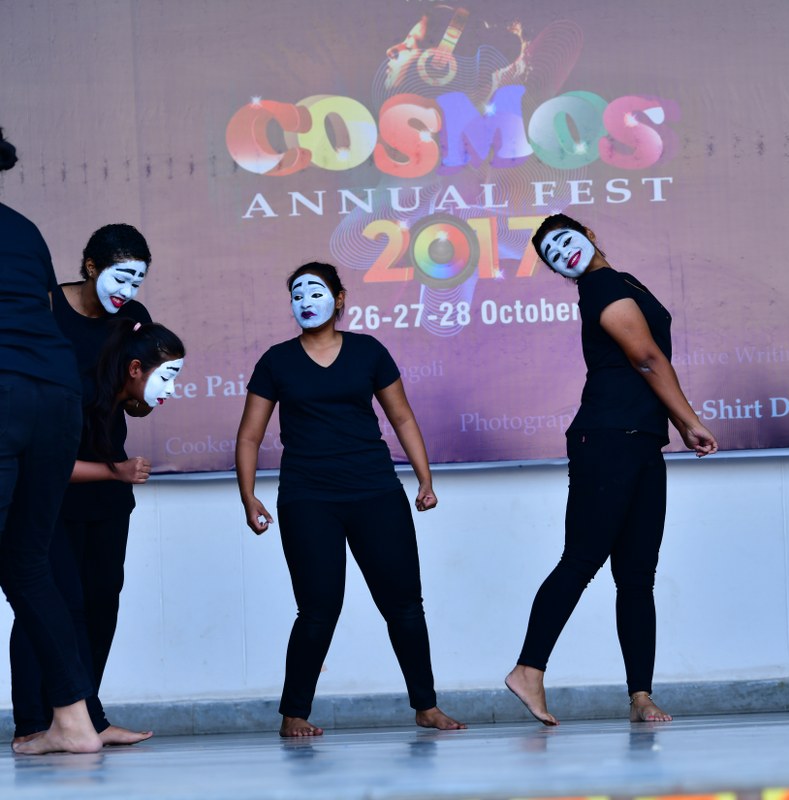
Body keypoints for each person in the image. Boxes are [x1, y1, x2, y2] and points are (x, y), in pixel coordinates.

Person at [504, 214, 718, 726]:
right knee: (582, 560)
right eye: (552, 255)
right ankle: (528, 669)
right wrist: (689, 421)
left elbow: (647, 361)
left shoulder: (620, 281)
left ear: (591, 235)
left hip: (639, 438)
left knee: (637, 576)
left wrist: (674, 425)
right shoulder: (600, 287)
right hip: (607, 438)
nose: (563, 253)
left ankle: (640, 695)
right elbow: (646, 358)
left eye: (565, 240)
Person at [235, 261, 464, 737]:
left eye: (316, 292)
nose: (305, 301)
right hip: (307, 498)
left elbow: (402, 418)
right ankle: (294, 713)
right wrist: (248, 496)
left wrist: (424, 479)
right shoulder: (276, 361)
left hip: (375, 490)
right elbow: (250, 436)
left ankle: (426, 706)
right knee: (317, 609)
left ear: (339, 299)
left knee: (404, 604)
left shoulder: (368, 351)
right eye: (297, 294)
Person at [10, 225, 158, 746]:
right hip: (48, 481)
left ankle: (87, 716)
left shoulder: (133, 320)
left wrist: (147, 391)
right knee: (49, 600)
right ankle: (34, 723)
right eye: (122, 276)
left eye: (138, 280)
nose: (129, 289)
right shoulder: (46, 308)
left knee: (101, 601)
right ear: (91, 267)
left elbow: (136, 399)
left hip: (108, 482)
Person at [0, 126, 100, 754]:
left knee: (26, 563)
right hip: (57, 397)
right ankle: (73, 723)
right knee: (26, 563)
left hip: (5, 390)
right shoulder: (25, 230)